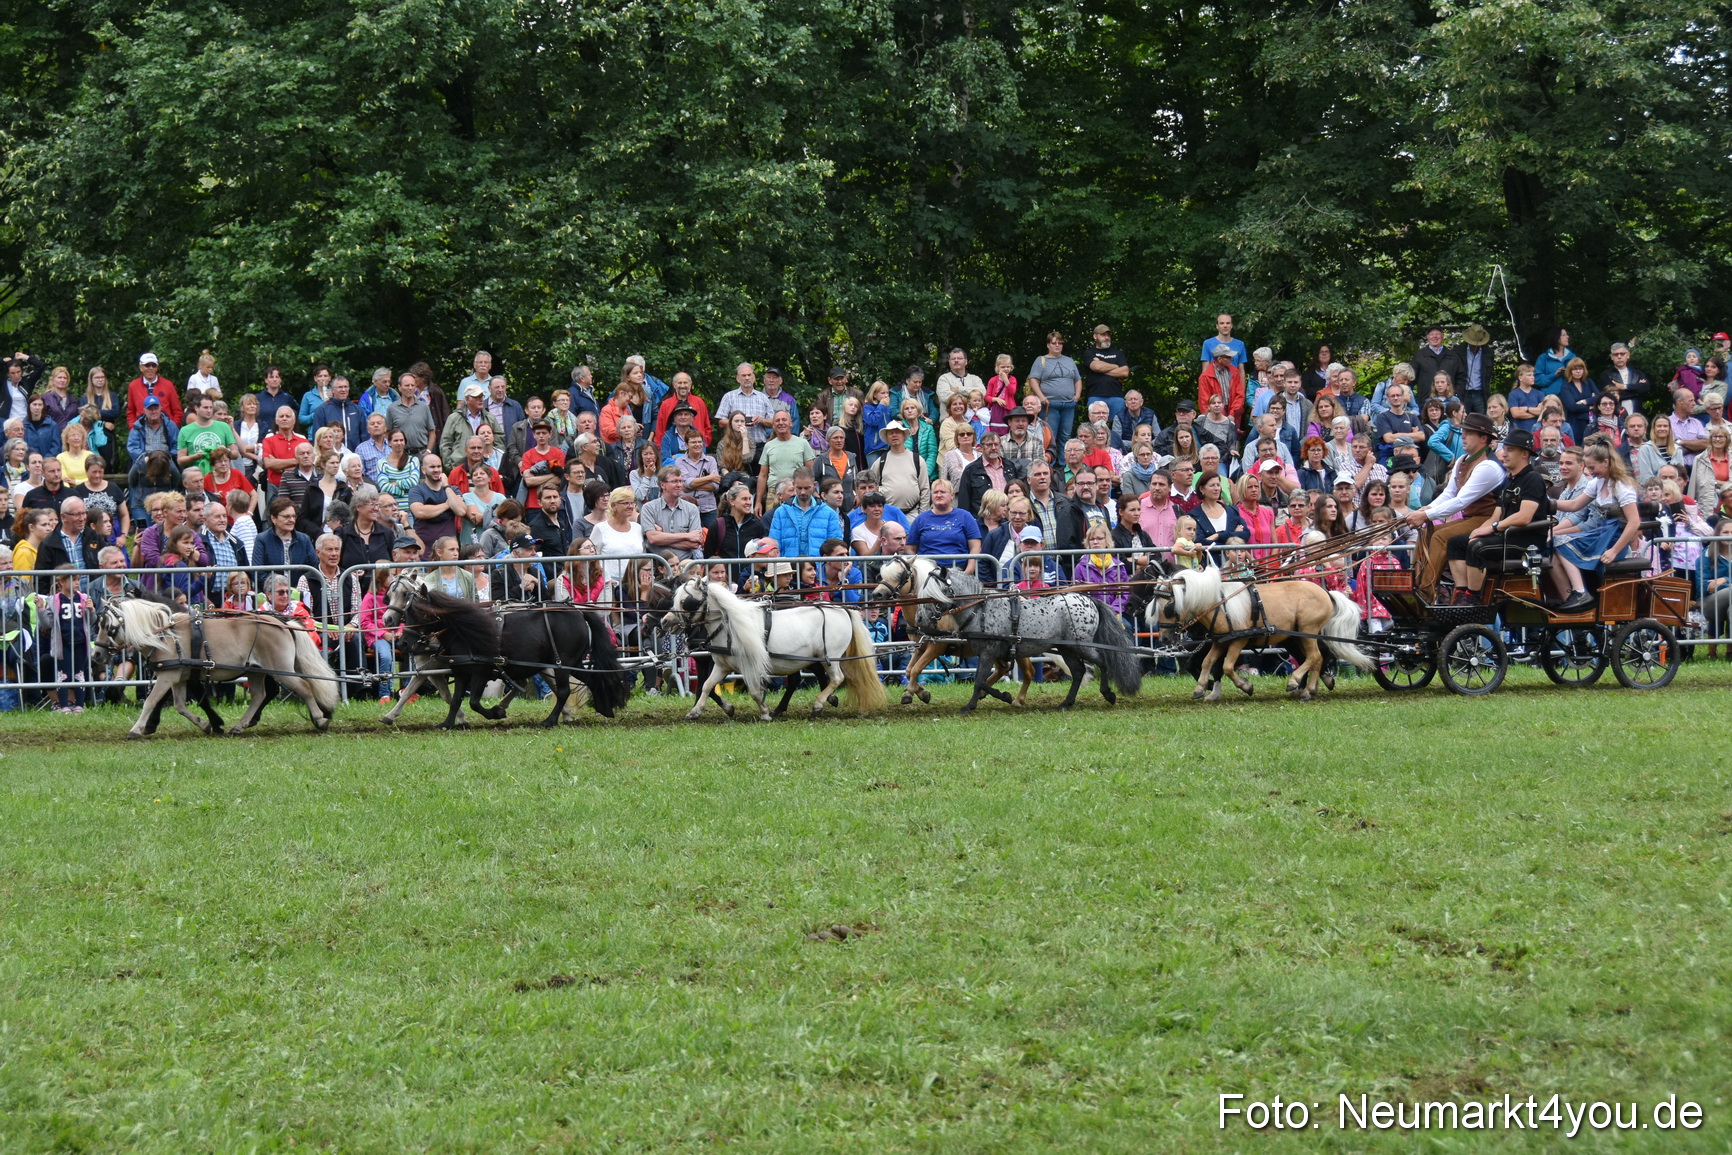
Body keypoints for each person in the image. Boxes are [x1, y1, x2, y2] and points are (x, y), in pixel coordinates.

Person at [1444, 428, 1552, 601]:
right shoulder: (1509, 480)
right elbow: (1496, 515)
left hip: (1525, 541)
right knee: (1456, 543)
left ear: (1524, 454)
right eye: (1504, 448)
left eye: (1510, 450)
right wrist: (1478, 531)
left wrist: (1492, 529)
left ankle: (1474, 599)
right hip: (1506, 536)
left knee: (1477, 547)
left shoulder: (1533, 478)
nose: (1504, 453)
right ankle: (1461, 594)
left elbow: (1524, 517)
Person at [1548, 443, 1641, 611]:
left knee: (1559, 540)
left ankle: (1581, 592)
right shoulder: (1597, 483)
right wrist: (1548, 503)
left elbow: (1634, 522)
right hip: (1602, 534)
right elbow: (1575, 504)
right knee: (1554, 546)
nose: (1590, 472)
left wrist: (1614, 551)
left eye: (1592, 467)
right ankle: (1573, 596)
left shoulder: (1621, 485)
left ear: (1606, 462)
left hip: (1614, 538)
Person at [908, 479, 982, 572]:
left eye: (943, 492)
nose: (939, 495)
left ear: (952, 495)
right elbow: (910, 549)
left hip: (958, 571)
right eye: (935, 492)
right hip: (928, 573)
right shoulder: (920, 519)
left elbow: (975, 547)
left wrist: (967, 573)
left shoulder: (965, 516)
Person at [1025, 331, 1082, 445]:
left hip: (1069, 404)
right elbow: (1033, 380)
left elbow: (1077, 379)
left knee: (1066, 436)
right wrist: (1041, 398)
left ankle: (1064, 462)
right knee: (1050, 436)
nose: (1057, 345)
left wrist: (1077, 396)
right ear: (1048, 345)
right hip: (1050, 405)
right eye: (1054, 343)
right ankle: (1049, 462)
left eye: (1060, 343)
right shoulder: (1041, 360)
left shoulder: (1069, 360)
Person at [639, 467, 706, 561]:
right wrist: (687, 536)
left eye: (681, 481)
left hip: (685, 568)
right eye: (674, 481)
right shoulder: (649, 508)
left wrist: (661, 537)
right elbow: (653, 538)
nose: (679, 485)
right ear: (663, 485)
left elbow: (695, 543)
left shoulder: (692, 509)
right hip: (657, 567)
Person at [405, 454, 466, 554]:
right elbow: (419, 511)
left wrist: (446, 486)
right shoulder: (416, 490)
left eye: (439, 466)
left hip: (449, 552)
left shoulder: (452, 490)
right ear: (423, 470)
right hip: (425, 552)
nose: (436, 470)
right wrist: (447, 505)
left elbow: (461, 511)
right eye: (432, 467)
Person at [755, 409, 814, 510]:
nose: (781, 423)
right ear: (773, 425)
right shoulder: (768, 446)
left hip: (797, 492)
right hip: (774, 494)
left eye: (784, 420)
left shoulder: (802, 443)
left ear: (790, 423)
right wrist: (758, 502)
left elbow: (811, 472)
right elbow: (763, 475)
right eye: (777, 421)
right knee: (773, 523)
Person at [716, 362, 780, 448]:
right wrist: (739, 422)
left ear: (754, 377)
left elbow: (773, 422)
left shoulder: (763, 397)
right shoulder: (729, 397)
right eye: (743, 375)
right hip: (736, 445)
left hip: (759, 446)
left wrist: (761, 420)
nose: (747, 378)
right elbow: (721, 422)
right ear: (738, 378)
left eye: (749, 375)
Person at [590, 487, 646, 583]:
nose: (630, 506)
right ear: (614, 505)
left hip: (634, 584)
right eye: (625, 503)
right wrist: (604, 579)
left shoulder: (638, 528)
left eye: (632, 502)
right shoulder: (600, 528)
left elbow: (643, 557)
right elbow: (591, 558)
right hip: (608, 585)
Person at [125, 352, 182, 429]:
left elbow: (177, 410)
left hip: (165, 429)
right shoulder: (133, 386)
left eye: (153, 365)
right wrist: (133, 429)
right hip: (142, 430)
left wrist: (173, 428)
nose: (151, 368)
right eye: (147, 365)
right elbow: (131, 411)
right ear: (141, 367)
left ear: (157, 367)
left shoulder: (168, 385)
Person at [1197, 343, 1246, 430]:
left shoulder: (1235, 372)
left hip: (1233, 415)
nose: (1231, 359)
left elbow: (1240, 395)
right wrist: (1214, 418)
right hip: (1213, 417)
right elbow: (1204, 401)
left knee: (1233, 441)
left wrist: (1232, 414)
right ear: (1219, 359)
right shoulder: (1205, 377)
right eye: (1228, 357)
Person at [1598, 341, 1651, 414]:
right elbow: (1610, 395)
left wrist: (1625, 387)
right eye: (1616, 354)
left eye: (1622, 354)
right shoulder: (1606, 375)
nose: (1619, 356)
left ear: (1628, 355)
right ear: (1612, 357)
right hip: (1615, 414)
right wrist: (1636, 390)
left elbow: (1646, 388)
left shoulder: (1637, 373)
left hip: (1637, 413)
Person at [1533, 327, 1575, 396]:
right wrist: (1555, 375)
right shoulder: (1543, 358)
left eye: (1567, 334)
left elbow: (1581, 376)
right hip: (1551, 397)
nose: (1567, 337)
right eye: (1564, 335)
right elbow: (1538, 380)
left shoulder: (1573, 357)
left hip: (1571, 396)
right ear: (1556, 337)